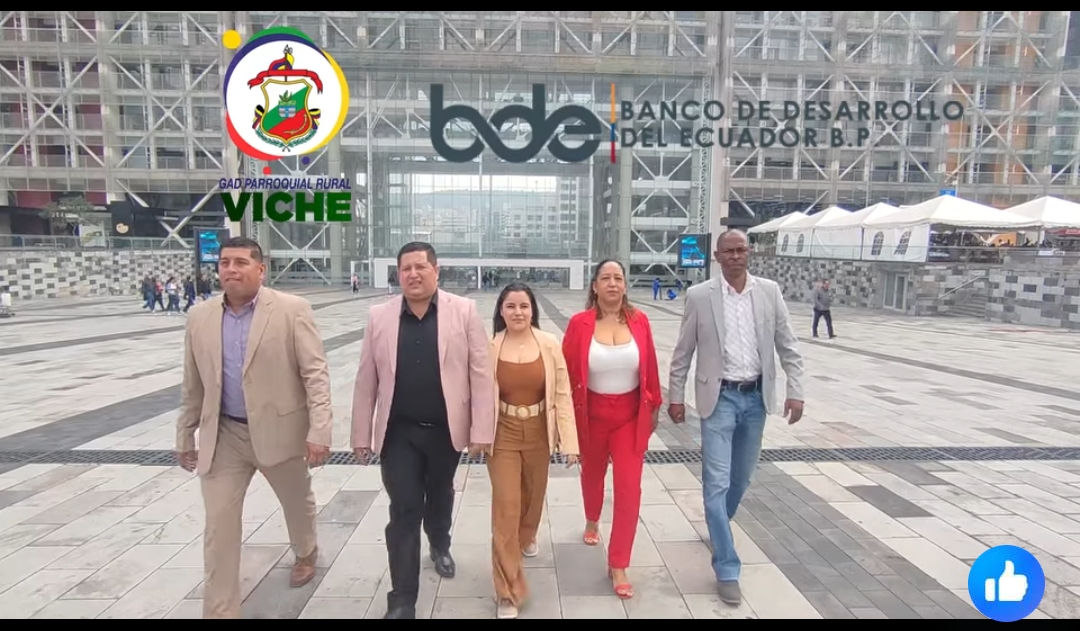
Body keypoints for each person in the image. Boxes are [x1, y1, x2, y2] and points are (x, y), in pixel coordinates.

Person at [175, 236, 333, 619]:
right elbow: (193, 382)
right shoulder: (199, 317)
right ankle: (221, 610)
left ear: (261, 270)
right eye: (225, 262)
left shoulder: (292, 310)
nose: (231, 269)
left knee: (297, 503)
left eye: (241, 262)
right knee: (219, 527)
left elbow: (315, 374)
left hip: (280, 431)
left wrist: (319, 431)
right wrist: (185, 434)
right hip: (224, 436)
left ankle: (306, 551)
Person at [351, 242, 495, 619]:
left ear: (436, 271)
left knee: (440, 494)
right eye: (405, 269)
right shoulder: (380, 316)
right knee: (404, 508)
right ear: (398, 274)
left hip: (446, 430)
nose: (413, 274)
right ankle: (402, 599)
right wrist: (361, 436)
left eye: (420, 267)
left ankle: (439, 541)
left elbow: (481, 374)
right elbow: (366, 379)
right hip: (398, 432)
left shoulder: (463, 311)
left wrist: (482, 429)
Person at [667, 229, 805, 607]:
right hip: (719, 399)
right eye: (728, 251)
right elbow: (683, 352)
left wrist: (796, 390)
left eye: (741, 249)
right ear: (717, 256)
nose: (735, 256)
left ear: (749, 253)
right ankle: (727, 568)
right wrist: (675, 398)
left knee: (740, 478)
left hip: (756, 398)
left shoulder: (769, 292)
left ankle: (718, 527)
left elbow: (788, 346)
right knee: (716, 484)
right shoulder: (700, 296)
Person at [561, 259, 662, 600]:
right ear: (595, 286)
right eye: (605, 278)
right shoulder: (579, 324)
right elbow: (565, 373)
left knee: (629, 489)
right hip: (591, 414)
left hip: (629, 417)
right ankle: (592, 518)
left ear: (625, 285)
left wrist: (654, 407)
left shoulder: (640, 321)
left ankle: (618, 563)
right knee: (592, 475)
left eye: (618, 277)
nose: (613, 283)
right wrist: (564, 423)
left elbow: (651, 367)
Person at [487, 282, 579, 619]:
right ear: (501, 311)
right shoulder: (490, 347)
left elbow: (563, 394)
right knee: (506, 508)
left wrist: (570, 443)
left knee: (533, 498)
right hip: (503, 434)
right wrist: (475, 436)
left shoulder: (549, 344)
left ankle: (526, 535)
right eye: (510, 306)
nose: (518, 312)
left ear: (532, 310)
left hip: (540, 432)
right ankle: (508, 591)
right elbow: (477, 396)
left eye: (524, 306)